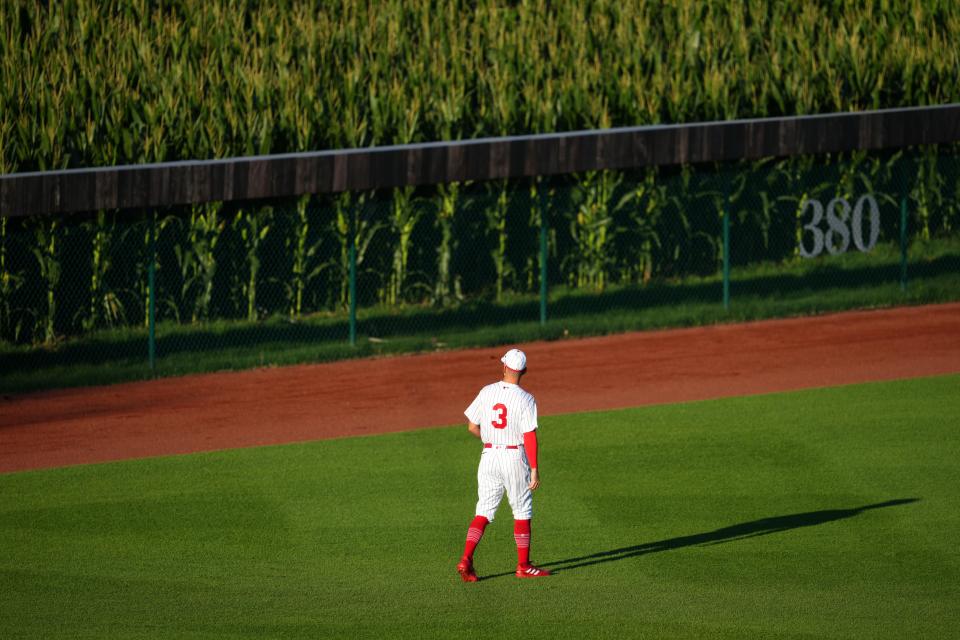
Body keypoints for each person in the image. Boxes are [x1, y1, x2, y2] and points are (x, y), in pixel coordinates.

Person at [456, 348, 551, 581]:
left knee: (483, 511)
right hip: (513, 458)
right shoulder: (526, 399)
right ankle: (523, 566)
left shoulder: (487, 391)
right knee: (522, 511)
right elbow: (529, 436)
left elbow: (471, 426)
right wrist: (535, 470)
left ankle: (466, 559)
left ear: (504, 367)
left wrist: (490, 440)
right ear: (524, 371)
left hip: (488, 457)